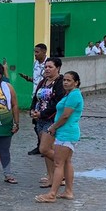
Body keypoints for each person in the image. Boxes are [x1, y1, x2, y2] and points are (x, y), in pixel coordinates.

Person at [36, 71, 83, 203]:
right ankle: (68, 191)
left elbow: (65, 115)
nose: (65, 82)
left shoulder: (74, 95)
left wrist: (53, 127)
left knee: (58, 163)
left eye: (69, 80)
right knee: (66, 162)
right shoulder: (69, 95)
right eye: (64, 80)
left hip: (66, 133)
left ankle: (52, 194)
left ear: (76, 82)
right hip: (66, 132)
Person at [30, 58, 66, 190]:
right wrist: (33, 110)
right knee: (47, 150)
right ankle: (51, 177)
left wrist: (43, 113)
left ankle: (63, 169)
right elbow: (36, 98)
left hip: (51, 119)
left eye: (50, 67)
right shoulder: (43, 82)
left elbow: (57, 103)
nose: (47, 69)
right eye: (46, 67)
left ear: (58, 68)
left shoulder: (60, 83)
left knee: (44, 148)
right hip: (39, 119)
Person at [18, 43, 48, 154]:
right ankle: (40, 146)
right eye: (34, 52)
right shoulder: (35, 64)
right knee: (36, 123)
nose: (35, 54)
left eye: (37, 52)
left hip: (45, 98)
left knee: (45, 122)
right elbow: (37, 80)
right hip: (35, 97)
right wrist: (28, 78)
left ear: (44, 52)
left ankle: (46, 146)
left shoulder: (49, 64)